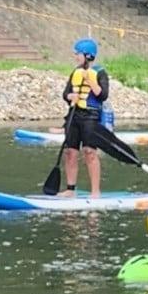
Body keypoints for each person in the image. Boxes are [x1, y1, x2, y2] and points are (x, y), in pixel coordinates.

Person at [59, 38, 109, 198]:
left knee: (89, 152)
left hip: (91, 116)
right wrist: (70, 96)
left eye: (78, 54)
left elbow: (103, 95)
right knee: (70, 152)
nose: (76, 57)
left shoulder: (100, 72)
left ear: (88, 55)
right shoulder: (75, 72)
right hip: (74, 115)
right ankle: (70, 189)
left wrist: (89, 80)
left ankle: (95, 191)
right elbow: (65, 93)